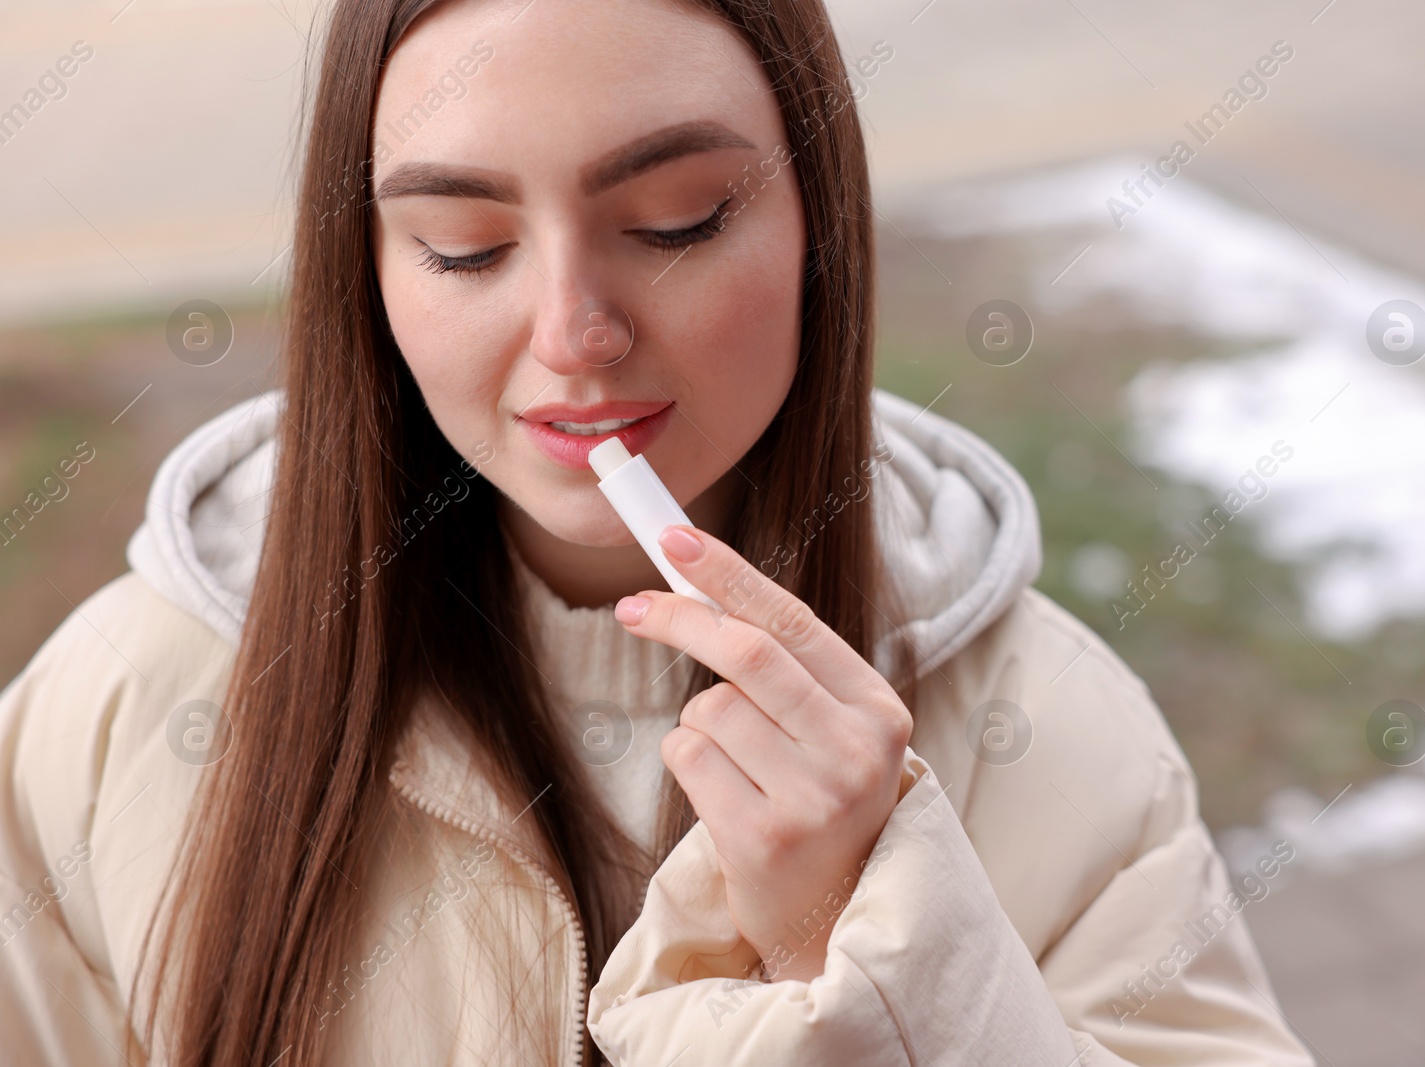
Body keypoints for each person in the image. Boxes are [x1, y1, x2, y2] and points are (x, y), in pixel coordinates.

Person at [0, 0, 1313, 1063]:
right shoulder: (122, 710)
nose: (578, 333)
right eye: (462, 245)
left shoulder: (1058, 730)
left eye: (677, 220)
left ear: (820, 226)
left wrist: (869, 954)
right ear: (368, 272)